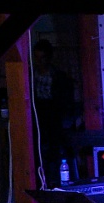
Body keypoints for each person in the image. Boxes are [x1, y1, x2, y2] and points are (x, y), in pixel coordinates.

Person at [31, 38, 75, 186]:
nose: (39, 61)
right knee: (38, 150)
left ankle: (54, 181)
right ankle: (40, 181)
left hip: (53, 115)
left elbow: (64, 99)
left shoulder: (57, 76)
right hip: (37, 115)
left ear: (49, 58)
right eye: (37, 57)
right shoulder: (31, 75)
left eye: (42, 57)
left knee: (53, 151)